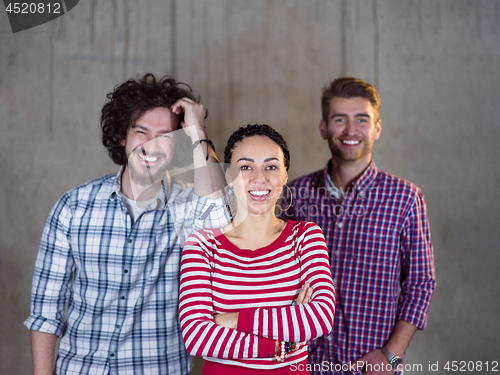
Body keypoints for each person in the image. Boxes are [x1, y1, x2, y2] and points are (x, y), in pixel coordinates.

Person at [24, 73, 231, 375]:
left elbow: (222, 228)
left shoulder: (189, 208)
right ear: (122, 136)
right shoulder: (73, 207)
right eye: (141, 132)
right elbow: (45, 314)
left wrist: (197, 131)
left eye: (165, 136)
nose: (152, 145)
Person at [280, 78, 436, 375]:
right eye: (340, 119)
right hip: (303, 364)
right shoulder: (295, 195)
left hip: (369, 368)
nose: (351, 131)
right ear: (324, 127)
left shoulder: (406, 199)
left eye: (361, 120)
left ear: (377, 127)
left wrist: (392, 356)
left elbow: (420, 284)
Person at [179, 124, 336, 374]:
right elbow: (197, 338)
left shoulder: (306, 237)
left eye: (271, 166)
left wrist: (235, 319)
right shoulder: (201, 245)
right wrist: (279, 343)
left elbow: (320, 318)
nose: (259, 178)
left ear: (285, 175)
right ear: (229, 177)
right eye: (245, 167)